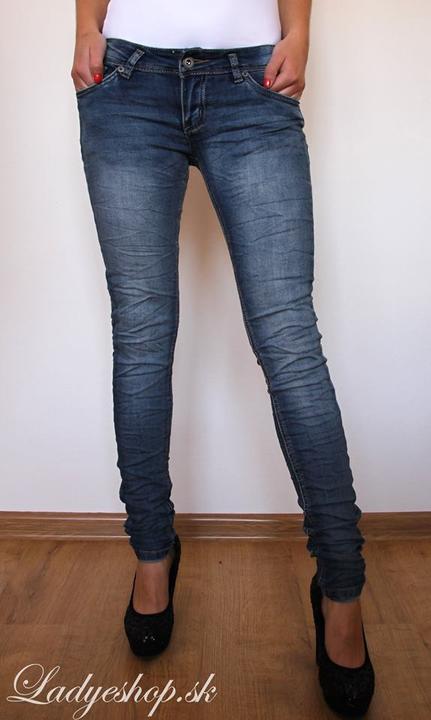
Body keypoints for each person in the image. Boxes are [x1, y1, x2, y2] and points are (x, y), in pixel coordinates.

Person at [72, 0, 375, 714]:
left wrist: (300, 32)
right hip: (127, 81)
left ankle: (341, 589)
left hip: (252, 84)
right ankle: (152, 555)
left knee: (289, 342)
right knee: (142, 339)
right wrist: (85, 27)